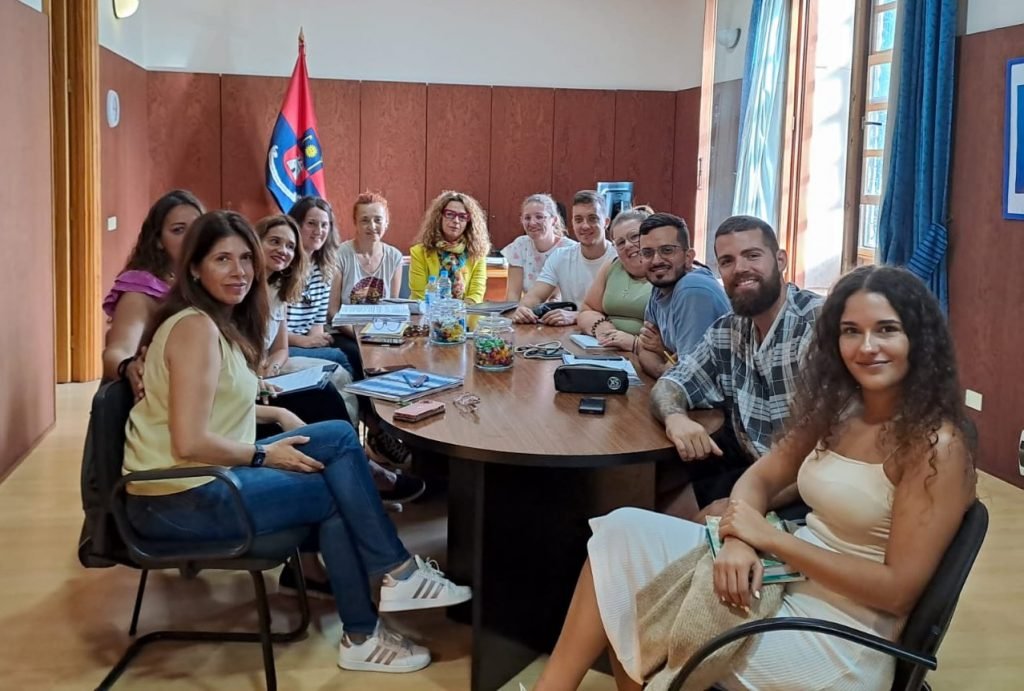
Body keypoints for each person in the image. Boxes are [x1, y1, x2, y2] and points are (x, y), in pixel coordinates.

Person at [536, 265, 977, 691]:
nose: (867, 346)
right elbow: (758, 480)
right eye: (850, 331)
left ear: (918, 339)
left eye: (886, 329)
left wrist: (767, 538)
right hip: (783, 580)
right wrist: (740, 541)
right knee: (621, 534)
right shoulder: (839, 409)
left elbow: (897, 592)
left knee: (633, 593)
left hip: (840, 638)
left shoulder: (934, 446)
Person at [123, 210, 471, 673]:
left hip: (199, 481)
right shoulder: (195, 328)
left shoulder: (215, 322)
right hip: (179, 498)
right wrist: (264, 453)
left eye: (245, 258)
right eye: (222, 259)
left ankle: (392, 582)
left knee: (337, 436)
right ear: (194, 268)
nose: (239, 271)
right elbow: (189, 442)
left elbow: (212, 406)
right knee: (333, 493)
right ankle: (372, 617)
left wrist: (276, 414)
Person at [649, 215, 823, 520]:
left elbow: (831, 457)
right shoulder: (729, 329)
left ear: (780, 260)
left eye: (752, 255)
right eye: (727, 261)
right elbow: (672, 382)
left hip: (811, 493)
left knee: (684, 520)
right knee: (658, 490)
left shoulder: (817, 325)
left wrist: (741, 504)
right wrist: (675, 417)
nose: (740, 268)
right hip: (755, 470)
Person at [102, 189, 204, 398]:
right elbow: (118, 351)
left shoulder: (208, 281)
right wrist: (128, 366)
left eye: (197, 229)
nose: (191, 238)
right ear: (158, 241)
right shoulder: (142, 291)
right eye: (178, 230)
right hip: (161, 402)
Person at [635, 212, 730, 378]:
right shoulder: (660, 286)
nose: (656, 260)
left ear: (688, 257)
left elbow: (689, 378)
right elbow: (644, 349)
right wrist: (663, 367)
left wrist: (663, 355)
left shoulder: (692, 289)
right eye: (647, 253)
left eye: (667, 250)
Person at [511, 190, 617, 326]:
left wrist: (578, 316)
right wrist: (523, 309)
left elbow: (623, 313)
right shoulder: (560, 256)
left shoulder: (619, 259)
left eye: (592, 218)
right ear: (572, 222)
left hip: (607, 332)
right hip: (570, 333)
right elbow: (535, 296)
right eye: (578, 220)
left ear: (606, 222)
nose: (585, 225)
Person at [286, 196, 351, 373]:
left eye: (324, 225)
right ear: (296, 225)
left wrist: (317, 342)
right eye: (311, 224)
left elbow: (317, 324)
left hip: (304, 343)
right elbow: (270, 332)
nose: (318, 231)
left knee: (349, 355)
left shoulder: (325, 268)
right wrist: (304, 342)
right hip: (279, 347)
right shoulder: (283, 265)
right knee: (338, 358)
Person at [576, 206, 654, 353]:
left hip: (644, 353)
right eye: (620, 242)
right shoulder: (611, 266)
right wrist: (601, 327)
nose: (628, 245)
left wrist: (634, 343)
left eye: (634, 236)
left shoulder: (666, 274)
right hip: (606, 348)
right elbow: (587, 309)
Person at [409, 191, 491, 304]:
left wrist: (459, 311)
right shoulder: (419, 252)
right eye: (450, 214)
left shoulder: (477, 252)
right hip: (428, 312)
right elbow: (419, 296)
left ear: (469, 221)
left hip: (466, 312)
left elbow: (476, 295)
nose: (456, 221)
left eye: (462, 217)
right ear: (439, 216)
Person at [330, 191, 404, 307]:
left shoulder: (395, 257)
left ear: (387, 222)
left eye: (378, 220)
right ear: (355, 222)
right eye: (365, 220)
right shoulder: (340, 254)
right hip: (345, 319)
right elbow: (332, 310)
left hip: (381, 319)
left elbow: (392, 306)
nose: (372, 226)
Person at [501, 193, 577, 301]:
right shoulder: (519, 245)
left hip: (562, 309)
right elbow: (513, 295)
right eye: (527, 218)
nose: (532, 222)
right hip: (529, 308)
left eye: (539, 217)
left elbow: (557, 297)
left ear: (554, 220)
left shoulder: (570, 249)